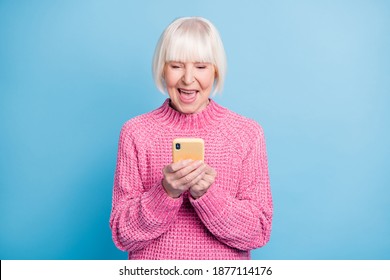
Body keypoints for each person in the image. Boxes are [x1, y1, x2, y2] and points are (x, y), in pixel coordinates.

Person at [109, 16, 273, 260]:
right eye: (176, 66)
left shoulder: (247, 133)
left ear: (216, 69)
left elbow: (258, 232)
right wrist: (165, 192)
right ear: (162, 69)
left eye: (201, 66)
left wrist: (207, 195)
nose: (187, 78)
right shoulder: (136, 132)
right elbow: (123, 234)